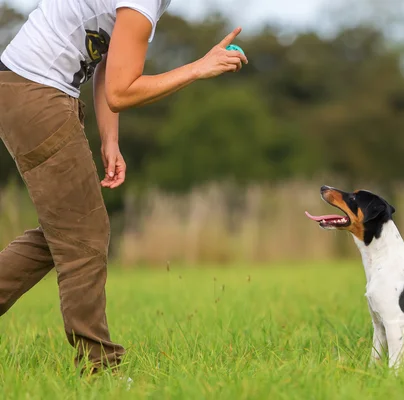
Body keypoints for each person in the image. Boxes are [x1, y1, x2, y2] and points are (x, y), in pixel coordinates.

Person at [0, 0, 248, 373]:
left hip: (30, 88)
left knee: (67, 233)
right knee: (83, 236)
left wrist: (109, 138)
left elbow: (107, 63)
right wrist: (198, 67)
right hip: (34, 92)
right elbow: (121, 91)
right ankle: (100, 369)